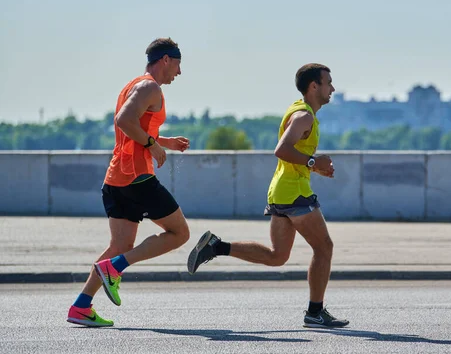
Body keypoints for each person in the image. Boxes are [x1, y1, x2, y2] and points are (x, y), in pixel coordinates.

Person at [188, 63, 349, 328]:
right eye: (328, 82)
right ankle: (315, 312)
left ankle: (217, 246)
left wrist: (314, 166)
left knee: (277, 256)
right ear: (314, 86)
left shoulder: (298, 110)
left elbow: (292, 154)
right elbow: (282, 149)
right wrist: (313, 163)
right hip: (295, 192)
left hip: (280, 190)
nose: (332, 88)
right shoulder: (304, 116)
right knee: (324, 247)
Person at [67, 37, 191, 327]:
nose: (179, 72)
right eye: (178, 65)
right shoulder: (150, 87)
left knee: (119, 245)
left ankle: (81, 305)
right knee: (180, 233)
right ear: (166, 60)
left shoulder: (133, 85)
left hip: (116, 178)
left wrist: (164, 142)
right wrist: (152, 146)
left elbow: (132, 125)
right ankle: (117, 268)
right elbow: (125, 121)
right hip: (138, 178)